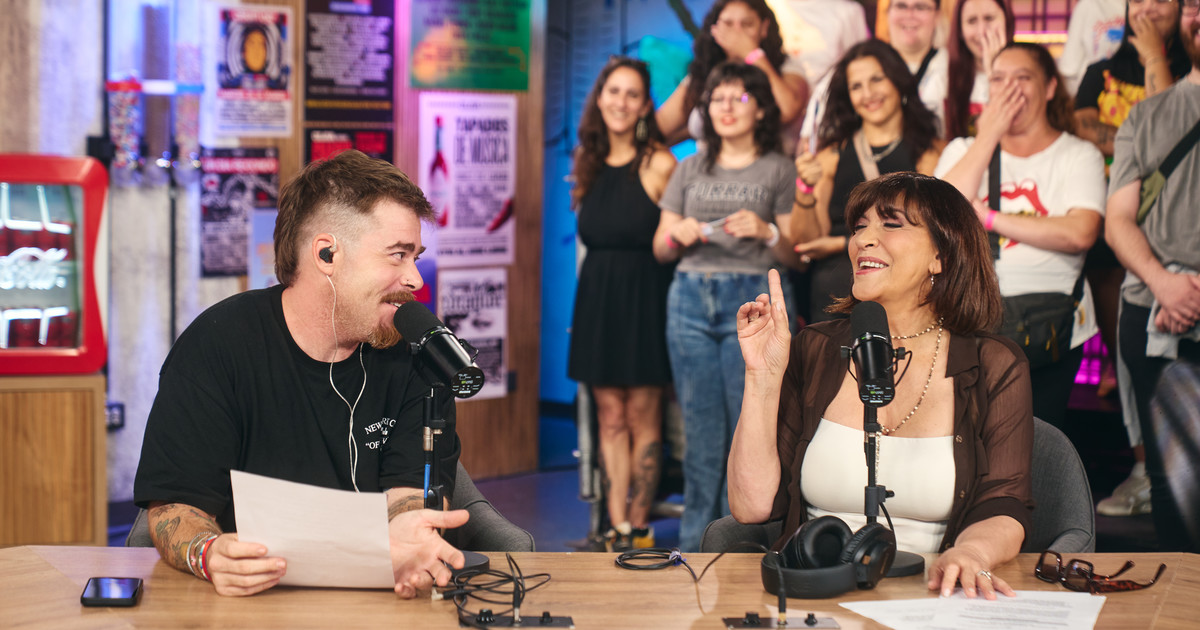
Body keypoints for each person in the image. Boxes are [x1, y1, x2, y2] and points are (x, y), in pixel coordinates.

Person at [133, 150, 469, 597]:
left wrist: (410, 533)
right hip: (251, 602)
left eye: (416, 256)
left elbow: (408, 491)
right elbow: (176, 504)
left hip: (379, 598)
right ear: (327, 254)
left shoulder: (418, 353)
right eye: (397, 255)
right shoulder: (218, 344)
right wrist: (209, 553)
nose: (415, 279)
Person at [729, 172, 1033, 600]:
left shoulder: (994, 364)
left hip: (936, 599)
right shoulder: (815, 348)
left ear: (941, 255)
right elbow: (751, 506)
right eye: (858, 227)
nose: (863, 240)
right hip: (815, 593)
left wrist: (973, 552)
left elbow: (1005, 504)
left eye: (891, 224)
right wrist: (761, 376)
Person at [653, 61, 799, 551]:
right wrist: (676, 234)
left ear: (760, 110)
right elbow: (660, 247)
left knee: (749, 427)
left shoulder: (778, 167)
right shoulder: (688, 167)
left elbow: (794, 253)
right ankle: (695, 548)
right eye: (717, 99)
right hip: (690, 297)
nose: (727, 108)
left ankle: (737, 546)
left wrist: (768, 231)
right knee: (700, 436)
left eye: (739, 98)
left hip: (753, 299)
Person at [936, 42, 1106, 428]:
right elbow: (938, 217)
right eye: (998, 79)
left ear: (1050, 87)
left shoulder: (1078, 155)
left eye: (1023, 78)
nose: (1010, 89)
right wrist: (988, 136)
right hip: (970, 317)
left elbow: (1080, 232)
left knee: (1037, 438)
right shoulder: (963, 150)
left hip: (1052, 322)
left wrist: (988, 218)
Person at [1072, 0, 1191, 518]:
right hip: (1116, 229)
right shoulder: (1101, 73)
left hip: (1171, 237)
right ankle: (1145, 469)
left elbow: (1171, 128)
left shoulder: (1183, 68)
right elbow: (1084, 126)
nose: (1148, 7)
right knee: (1127, 353)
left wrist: (1155, 58)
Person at [567, 57, 677, 551]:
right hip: (597, 299)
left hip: (646, 299)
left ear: (645, 106)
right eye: (614, 91)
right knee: (609, 416)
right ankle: (615, 524)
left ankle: (638, 523)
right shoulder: (586, 161)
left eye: (632, 94)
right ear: (600, 97)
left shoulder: (660, 164)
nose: (621, 102)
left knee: (644, 416)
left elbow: (672, 240)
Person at [1105, 0, 1200, 552]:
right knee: (1170, 480)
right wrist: (1164, 284)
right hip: (1152, 311)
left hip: (1177, 303)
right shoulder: (1145, 116)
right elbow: (1117, 221)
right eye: (1193, 5)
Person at [792, 40, 944, 323]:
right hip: (837, 293)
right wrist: (805, 187)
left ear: (898, 81)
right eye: (856, 86)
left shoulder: (931, 153)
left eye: (877, 79)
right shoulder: (831, 155)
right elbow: (806, 240)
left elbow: (934, 235)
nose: (868, 94)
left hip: (907, 294)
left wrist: (840, 243)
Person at [656, 0, 808, 155]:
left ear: (764, 28)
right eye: (728, 24)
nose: (737, 33)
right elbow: (661, 125)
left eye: (747, 24)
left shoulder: (785, 67)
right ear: (714, 29)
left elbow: (787, 110)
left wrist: (751, 53)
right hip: (711, 166)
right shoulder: (703, 73)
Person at [799, 0, 949, 142]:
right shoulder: (853, 67)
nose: (909, 15)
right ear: (887, 12)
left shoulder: (952, 71)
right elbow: (811, 140)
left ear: (937, 15)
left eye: (920, 7)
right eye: (901, 6)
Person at [944, 0, 1015, 140]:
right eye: (972, 21)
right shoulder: (943, 74)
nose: (982, 31)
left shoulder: (1029, 71)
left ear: (1007, 21)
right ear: (960, 30)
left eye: (989, 18)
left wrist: (996, 71)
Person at [1057, 0, 1126, 95]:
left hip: (1129, 95)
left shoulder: (1138, 8)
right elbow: (1069, 68)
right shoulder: (1088, 5)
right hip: (1091, 94)